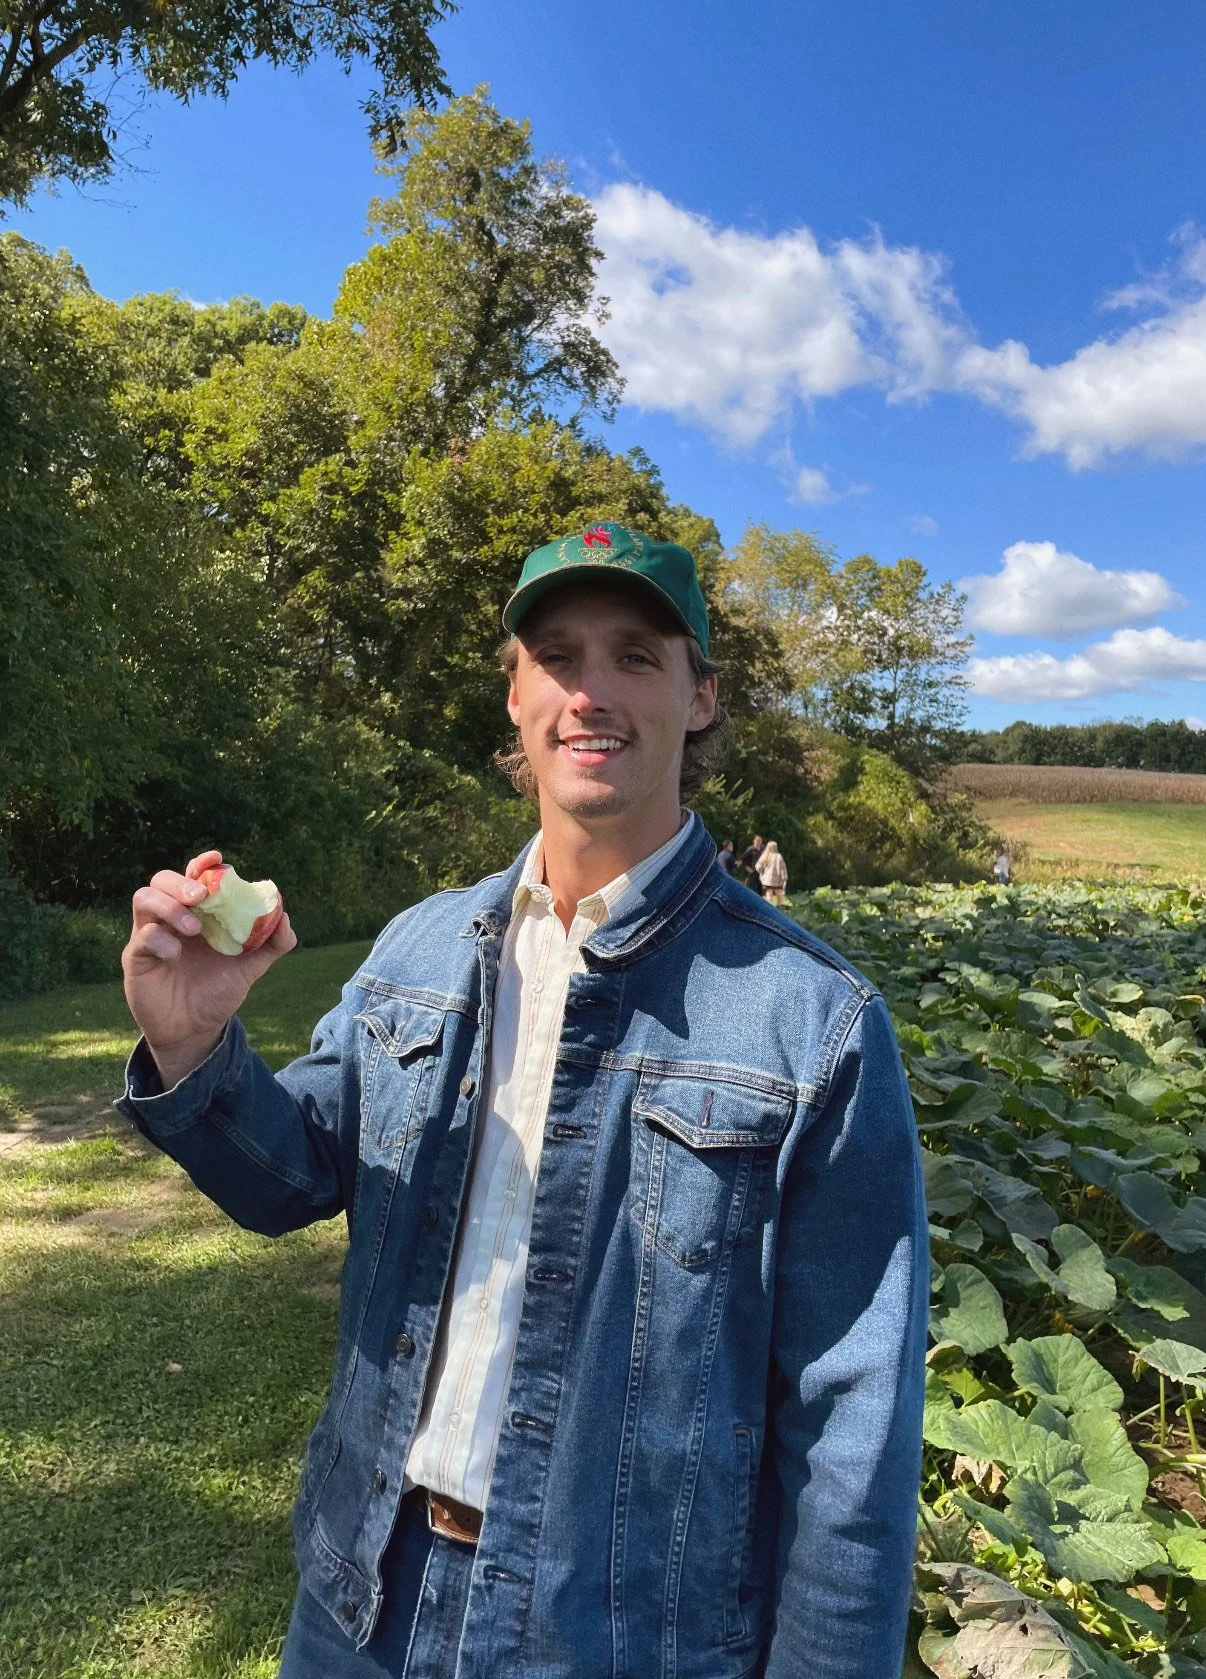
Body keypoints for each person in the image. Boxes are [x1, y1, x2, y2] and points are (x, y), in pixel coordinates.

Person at [116, 522, 928, 1679]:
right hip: (361, 1597)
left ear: (700, 696)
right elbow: (290, 1175)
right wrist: (195, 1044)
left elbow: (851, 1438)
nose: (589, 691)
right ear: (514, 695)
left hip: (618, 1637)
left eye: (635, 656)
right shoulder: (418, 947)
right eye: (556, 655)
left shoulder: (815, 1023)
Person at [756, 838, 788, 906]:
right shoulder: (778, 856)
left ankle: (768, 908)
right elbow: (783, 868)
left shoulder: (765, 855)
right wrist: (784, 878)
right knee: (779, 894)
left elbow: (758, 866)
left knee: (768, 894)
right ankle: (779, 908)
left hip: (767, 880)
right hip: (777, 880)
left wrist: (761, 872)